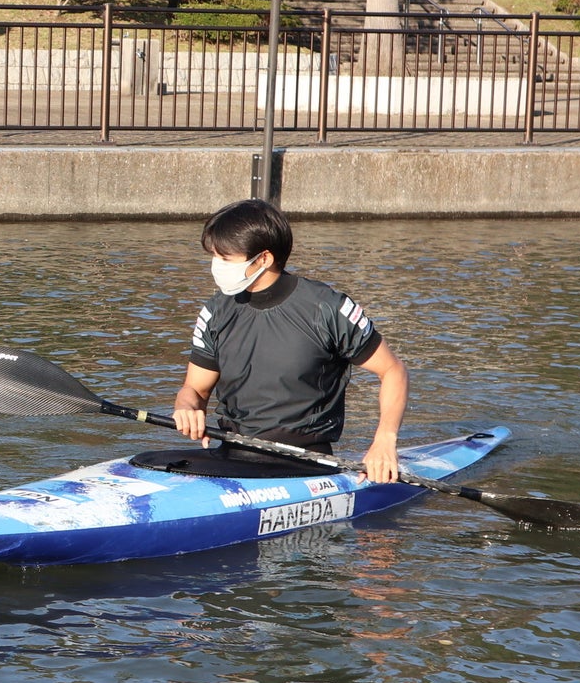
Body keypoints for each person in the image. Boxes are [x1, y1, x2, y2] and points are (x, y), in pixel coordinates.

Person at [167, 199, 407, 483]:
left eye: (225, 258)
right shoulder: (216, 311)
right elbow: (195, 388)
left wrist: (384, 441)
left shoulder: (326, 308)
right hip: (233, 456)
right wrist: (186, 407)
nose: (215, 266)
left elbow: (393, 371)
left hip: (306, 464)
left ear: (264, 259)